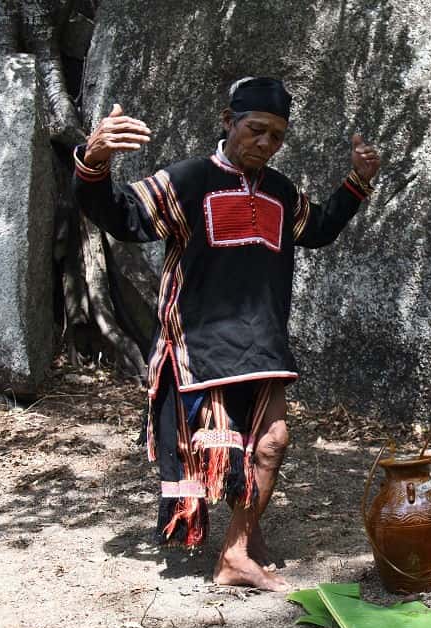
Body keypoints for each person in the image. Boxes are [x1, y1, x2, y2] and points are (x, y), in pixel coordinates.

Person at [72, 77, 381, 591]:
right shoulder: (188, 180)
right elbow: (121, 216)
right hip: (201, 343)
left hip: (264, 343)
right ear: (228, 121)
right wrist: (94, 160)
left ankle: (237, 548)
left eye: (277, 136)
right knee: (225, 449)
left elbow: (319, 229)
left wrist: (357, 182)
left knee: (273, 442)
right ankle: (240, 546)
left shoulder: (281, 191)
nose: (265, 143)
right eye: (256, 129)